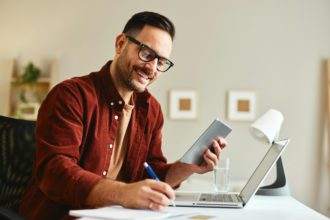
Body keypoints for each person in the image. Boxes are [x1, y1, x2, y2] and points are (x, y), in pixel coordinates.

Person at [19, 11, 227, 220]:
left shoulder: (150, 109)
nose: (152, 68)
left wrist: (187, 167)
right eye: (146, 53)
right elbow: (55, 173)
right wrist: (124, 193)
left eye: (161, 62)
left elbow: (151, 174)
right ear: (120, 44)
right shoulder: (71, 95)